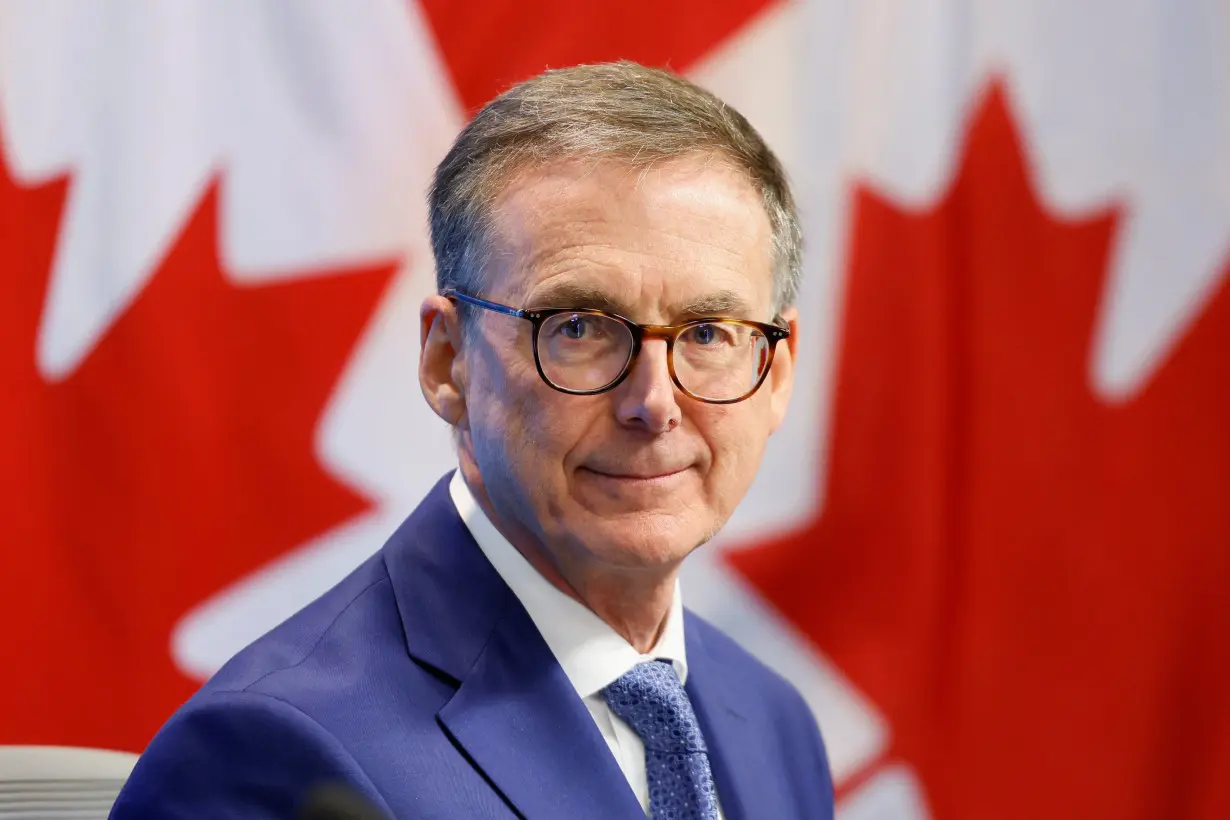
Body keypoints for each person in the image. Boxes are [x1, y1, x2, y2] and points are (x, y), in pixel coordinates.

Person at [111, 61, 834, 819]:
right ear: (447, 361)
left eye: (710, 332)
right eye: (579, 328)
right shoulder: (276, 755)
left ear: (777, 371)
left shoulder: (771, 720)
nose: (654, 403)